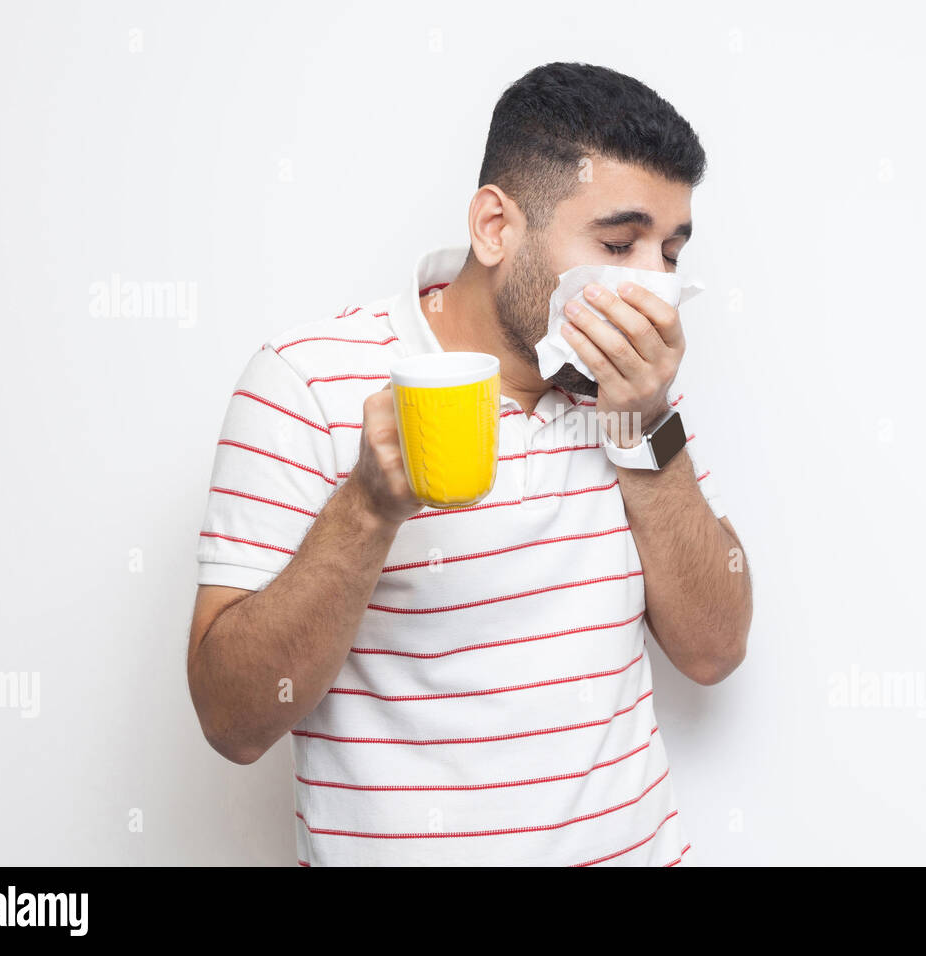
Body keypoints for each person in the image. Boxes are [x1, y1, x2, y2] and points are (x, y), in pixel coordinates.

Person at [186, 61, 752, 866]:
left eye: (669, 253)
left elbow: (715, 650)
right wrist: (369, 509)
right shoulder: (306, 382)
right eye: (619, 245)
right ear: (495, 227)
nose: (652, 287)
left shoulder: (633, 395)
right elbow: (232, 720)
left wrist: (643, 426)